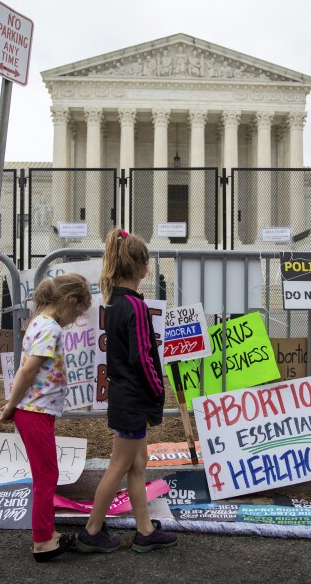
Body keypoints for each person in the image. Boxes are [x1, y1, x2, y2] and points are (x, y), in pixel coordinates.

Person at [76, 228, 178, 554]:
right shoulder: (134, 307)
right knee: (120, 465)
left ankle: (145, 529)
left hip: (125, 396)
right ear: (142, 269)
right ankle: (92, 530)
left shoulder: (118, 304)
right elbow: (143, 358)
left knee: (137, 463)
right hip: (133, 399)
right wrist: (157, 390)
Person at [0, 272, 92, 563]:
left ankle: (44, 535)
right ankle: (42, 540)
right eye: (76, 313)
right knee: (46, 475)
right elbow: (27, 370)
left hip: (36, 411)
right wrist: (11, 404)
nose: (73, 320)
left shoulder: (39, 322)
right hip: (34, 411)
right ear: (68, 301)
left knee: (44, 474)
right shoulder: (51, 329)